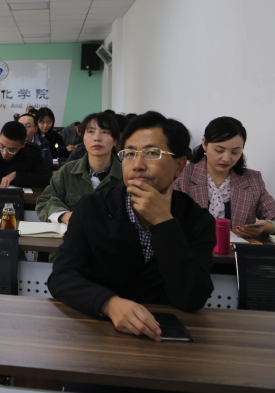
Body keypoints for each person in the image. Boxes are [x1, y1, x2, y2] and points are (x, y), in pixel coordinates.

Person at [48, 111, 216, 343]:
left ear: (179, 166)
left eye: (152, 153)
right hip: (99, 336)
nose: (137, 165)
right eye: (129, 154)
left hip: (166, 341)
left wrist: (163, 222)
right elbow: (61, 276)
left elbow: (191, 298)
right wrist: (109, 304)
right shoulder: (93, 208)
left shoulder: (197, 220)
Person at [174, 116, 275, 237]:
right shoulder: (181, 175)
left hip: (236, 249)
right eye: (219, 150)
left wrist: (265, 227)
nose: (226, 158)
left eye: (235, 152)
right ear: (204, 143)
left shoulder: (252, 180)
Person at [37, 112, 122, 225]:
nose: (97, 138)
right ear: (83, 139)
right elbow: (44, 202)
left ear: (115, 139)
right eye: (91, 132)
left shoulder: (126, 174)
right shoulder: (68, 171)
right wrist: (64, 216)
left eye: (105, 132)